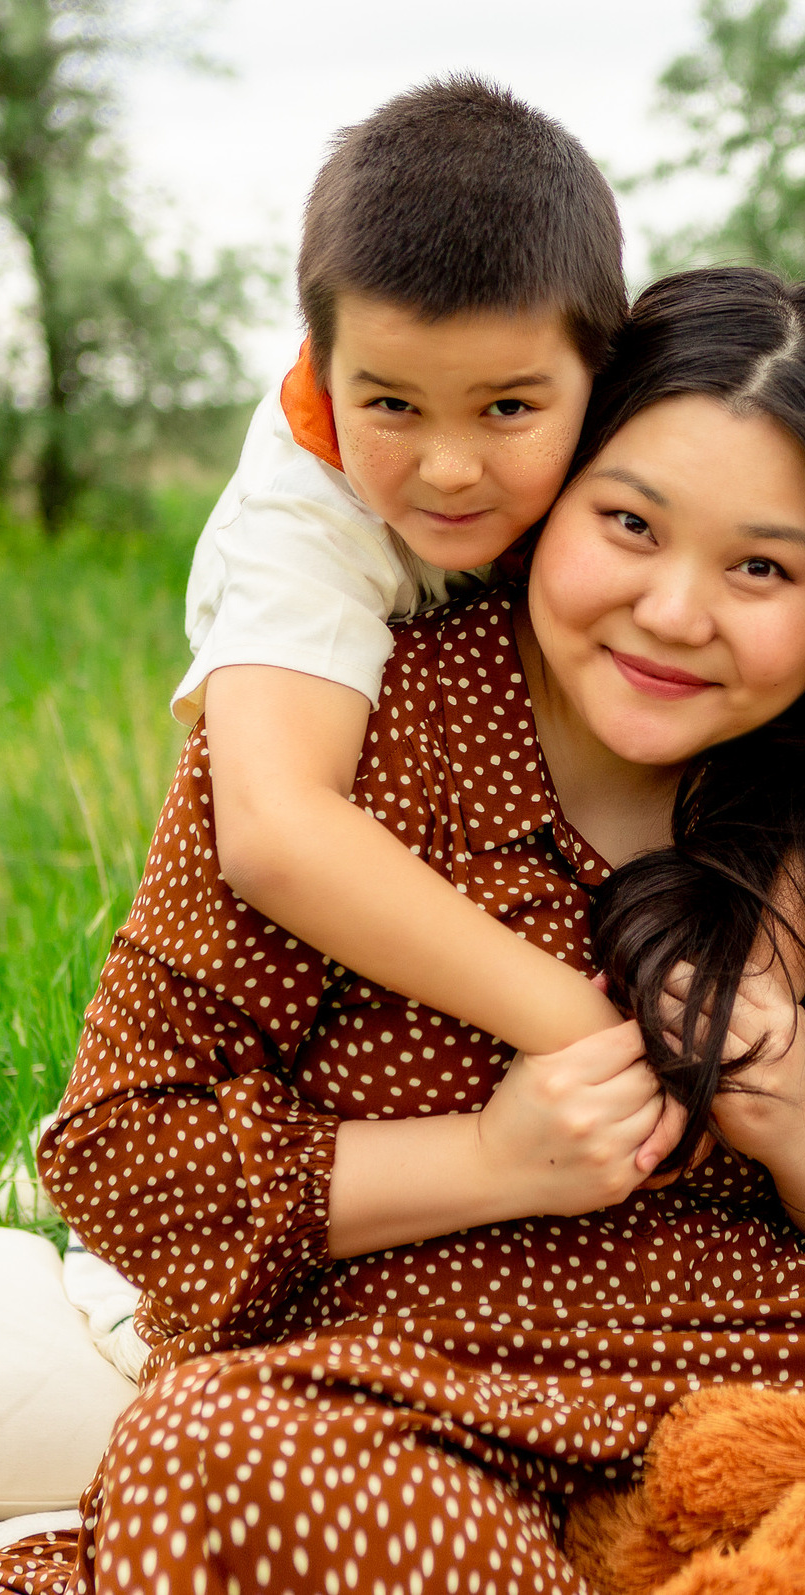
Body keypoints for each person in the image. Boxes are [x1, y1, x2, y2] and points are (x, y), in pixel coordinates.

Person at [0, 268, 805, 1595]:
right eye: (630, 523)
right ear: (548, 497)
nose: (677, 610)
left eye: (761, 566)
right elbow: (119, 1160)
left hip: (761, 1400)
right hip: (393, 1407)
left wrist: (803, 1113)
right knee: (206, 1449)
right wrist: (490, 1157)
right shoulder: (352, 744)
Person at [184, 74, 635, 1066]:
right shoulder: (298, 510)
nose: (448, 470)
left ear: (602, 368)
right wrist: (582, 1031)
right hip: (380, 868)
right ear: (321, 364)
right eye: (390, 405)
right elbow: (274, 830)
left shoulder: (642, 423)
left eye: (508, 409)